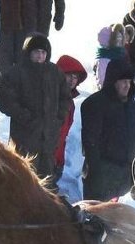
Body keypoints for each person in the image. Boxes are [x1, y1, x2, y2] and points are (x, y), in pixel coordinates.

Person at [0, 32, 71, 181]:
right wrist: (24, 116)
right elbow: (4, 100)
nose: (40, 56)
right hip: (24, 139)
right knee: (23, 180)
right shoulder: (16, 73)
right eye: (36, 52)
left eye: (43, 52)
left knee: (46, 182)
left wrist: (59, 116)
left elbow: (65, 96)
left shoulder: (54, 72)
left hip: (48, 139)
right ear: (28, 53)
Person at [80, 57, 135, 200]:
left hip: (127, 172)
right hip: (103, 172)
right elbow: (90, 141)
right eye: (123, 81)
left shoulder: (131, 104)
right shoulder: (95, 103)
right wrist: (97, 172)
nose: (127, 85)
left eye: (129, 81)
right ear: (113, 82)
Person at [0, 0, 63, 90]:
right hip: (4, 19)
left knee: (29, 61)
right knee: (4, 62)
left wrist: (60, 9)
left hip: (33, 19)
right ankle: (2, 93)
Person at [54, 54, 86, 184]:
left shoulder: (70, 103)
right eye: (69, 75)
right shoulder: (50, 97)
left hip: (57, 158)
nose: (72, 80)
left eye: (75, 77)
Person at [94, 23, 129, 90]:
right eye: (117, 39)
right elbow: (102, 81)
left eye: (121, 38)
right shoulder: (104, 59)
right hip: (110, 95)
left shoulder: (119, 56)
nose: (120, 42)